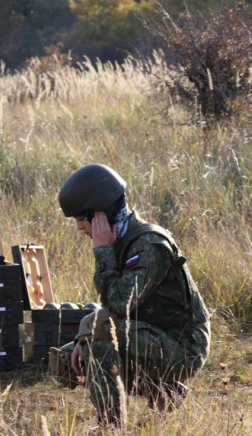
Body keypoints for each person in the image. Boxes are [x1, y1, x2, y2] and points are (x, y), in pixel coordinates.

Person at [50, 163, 210, 426]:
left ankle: (111, 426)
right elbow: (111, 307)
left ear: (100, 214)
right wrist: (83, 334)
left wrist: (103, 251)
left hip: (183, 345)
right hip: (149, 334)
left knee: (96, 338)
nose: (79, 228)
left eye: (81, 219)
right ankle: (164, 391)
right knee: (66, 360)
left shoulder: (149, 245)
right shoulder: (120, 240)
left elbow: (118, 304)